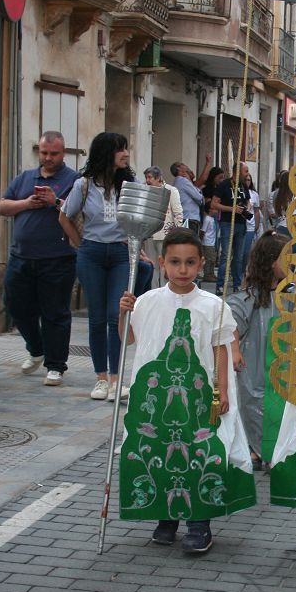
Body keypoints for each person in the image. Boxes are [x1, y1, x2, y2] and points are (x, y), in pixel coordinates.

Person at [117, 228, 256, 553]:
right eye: (176, 262)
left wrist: (221, 390)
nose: (183, 269)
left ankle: (199, 522)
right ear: (163, 263)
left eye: (190, 262)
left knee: (201, 455)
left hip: (199, 395)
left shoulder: (212, 305)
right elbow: (129, 339)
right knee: (159, 451)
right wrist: (123, 313)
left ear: (200, 264)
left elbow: (221, 347)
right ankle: (166, 518)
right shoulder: (148, 301)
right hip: (158, 396)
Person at [60, 132, 137, 402]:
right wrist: (80, 244)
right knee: (96, 317)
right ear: (106, 153)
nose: (126, 154)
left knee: (116, 314)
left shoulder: (129, 184)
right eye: (120, 150)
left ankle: (117, 379)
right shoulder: (83, 185)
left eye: (126, 149)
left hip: (119, 253)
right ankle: (101, 378)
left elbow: (137, 221)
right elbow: (65, 216)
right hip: (91, 252)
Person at [0, 131, 80, 386]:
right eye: (44, 153)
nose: (48, 158)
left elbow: (80, 212)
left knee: (55, 313)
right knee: (14, 304)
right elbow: (1, 207)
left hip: (58, 257)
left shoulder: (74, 180)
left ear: (63, 153)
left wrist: (54, 201)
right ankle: (36, 348)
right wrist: (25, 203)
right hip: (21, 256)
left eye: (53, 153)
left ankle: (55, 365)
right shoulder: (25, 178)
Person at [228, 231, 289, 470]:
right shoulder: (249, 298)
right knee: (255, 402)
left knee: (281, 404)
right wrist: (234, 349)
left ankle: (270, 449)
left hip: (284, 362)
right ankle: (258, 448)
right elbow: (231, 324)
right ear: (271, 262)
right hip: (255, 363)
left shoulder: (292, 293)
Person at [214, 163, 253, 295]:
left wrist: (247, 207)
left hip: (241, 224)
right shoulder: (224, 185)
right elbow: (214, 204)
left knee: (239, 256)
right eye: (246, 171)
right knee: (225, 255)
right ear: (238, 171)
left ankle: (237, 284)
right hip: (227, 223)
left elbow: (248, 200)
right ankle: (220, 285)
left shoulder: (243, 186)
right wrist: (232, 209)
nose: (248, 173)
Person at [142, 165, 183, 289]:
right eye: (146, 177)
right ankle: (154, 292)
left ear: (158, 178)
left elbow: (178, 213)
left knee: (165, 265)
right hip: (149, 234)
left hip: (165, 234)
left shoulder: (171, 190)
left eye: (150, 177)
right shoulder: (145, 190)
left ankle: (166, 291)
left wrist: (177, 233)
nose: (147, 180)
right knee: (152, 265)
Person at [171, 162, 204, 235]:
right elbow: (199, 197)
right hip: (189, 218)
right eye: (183, 164)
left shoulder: (177, 181)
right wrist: (189, 181)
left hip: (184, 217)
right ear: (179, 168)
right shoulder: (183, 181)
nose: (186, 166)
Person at [239, 174, 261, 271]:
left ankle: (244, 270)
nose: (247, 181)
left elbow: (256, 211)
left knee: (246, 252)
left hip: (250, 226)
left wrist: (257, 224)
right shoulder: (239, 191)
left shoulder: (254, 194)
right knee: (239, 251)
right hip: (239, 224)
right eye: (245, 180)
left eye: (249, 180)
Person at [270, 170, 291, 237]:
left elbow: (275, 209)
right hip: (291, 227)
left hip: (279, 226)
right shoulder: (293, 195)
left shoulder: (275, 194)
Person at [201, 213, 218, 282]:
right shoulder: (207, 219)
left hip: (212, 242)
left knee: (213, 259)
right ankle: (207, 275)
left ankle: (211, 273)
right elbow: (203, 231)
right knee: (208, 260)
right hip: (207, 242)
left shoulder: (213, 219)